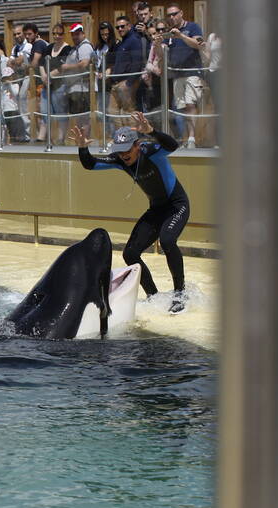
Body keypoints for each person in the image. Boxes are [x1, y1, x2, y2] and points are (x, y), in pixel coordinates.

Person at [68, 112, 190, 313]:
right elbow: (90, 164)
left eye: (127, 149)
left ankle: (179, 293)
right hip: (156, 209)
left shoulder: (151, 152)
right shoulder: (119, 160)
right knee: (130, 253)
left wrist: (152, 131)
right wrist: (82, 147)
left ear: (137, 146)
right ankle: (153, 295)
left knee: (168, 241)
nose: (124, 155)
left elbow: (172, 146)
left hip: (177, 205)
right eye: (120, 150)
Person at [164, 3, 205, 148]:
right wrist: (157, 45)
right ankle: (186, 139)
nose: (172, 17)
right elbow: (162, 53)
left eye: (174, 14)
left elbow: (199, 44)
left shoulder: (193, 27)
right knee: (181, 108)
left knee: (190, 104)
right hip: (177, 74)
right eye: (169, 15)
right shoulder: (169, 33)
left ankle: (192, 139)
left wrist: (181, 36)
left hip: (192, 72)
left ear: (181, 13)